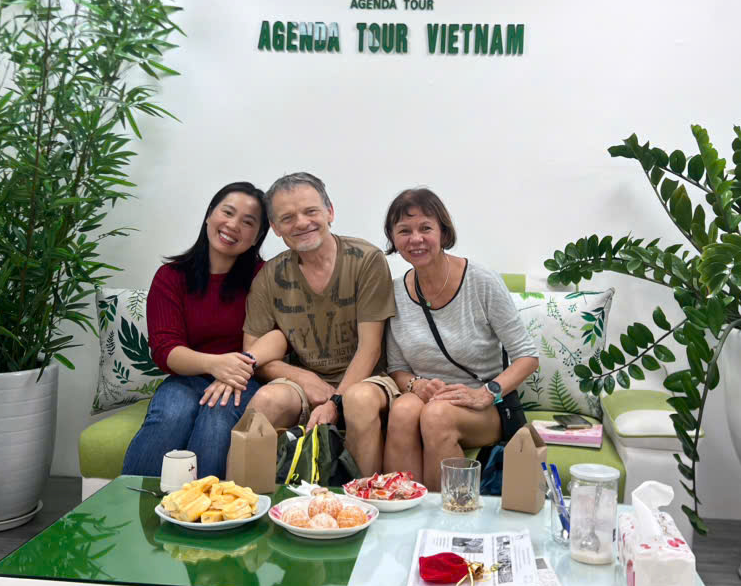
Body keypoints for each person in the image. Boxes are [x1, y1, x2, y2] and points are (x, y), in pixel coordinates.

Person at [381, 188, 539, 492]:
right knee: (402, 410)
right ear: (393, 238)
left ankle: (448, 514)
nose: (416, 239)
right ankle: (403, 510)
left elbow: (527, 357)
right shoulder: (395, 292)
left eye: (425, 228)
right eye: (404, 231)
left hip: (487, 405)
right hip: (428, 398)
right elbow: (397, 368)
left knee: (436, 415)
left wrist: (485, 394)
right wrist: (416, 385)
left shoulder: (481, 281)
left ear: (443, 231)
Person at [242, 172, 398, 476]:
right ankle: (247, 499)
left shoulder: (366, 259)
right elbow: (253, 355)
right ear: (275, 227)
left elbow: (370, 348)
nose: (301, 223)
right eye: (287, 218)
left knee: (359, 400)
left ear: (330, 212)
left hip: (368, 379)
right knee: (266, 400)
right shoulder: (269, 277)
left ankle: (362, 498)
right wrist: (303, 377)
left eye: (310, 211)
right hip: (303, 384)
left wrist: (335, 402)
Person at [121, 181, 271, 481]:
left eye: (248, 222)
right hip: (186, 378)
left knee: (217, 416)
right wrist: (216, 364)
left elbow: (280, 334)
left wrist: (236, 368)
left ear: (257, 236)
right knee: (172, 412)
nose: (233, 225)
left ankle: (205, 506)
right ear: (209, 215)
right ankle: (132, 503)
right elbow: (164, 350)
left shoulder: (264, 277)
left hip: (243, 380)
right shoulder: (171, 276)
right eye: (227, 212)